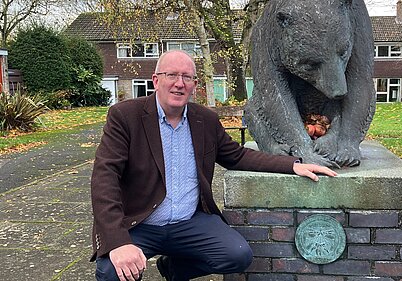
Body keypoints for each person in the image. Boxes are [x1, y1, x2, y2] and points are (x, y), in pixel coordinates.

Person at [90, 50, 337, 281]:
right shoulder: (125, 116)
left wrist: (292, 165)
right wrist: (118, 241)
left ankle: (173, 268)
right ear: (156, 80)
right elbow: (105, 177)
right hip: (140, 222)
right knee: (113, 272)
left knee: (238, 255)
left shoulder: (204, 119)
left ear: (195, 86)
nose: (179, 83)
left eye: (187, 77)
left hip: (189, 222)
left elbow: (237, 156)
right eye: (172, 75)